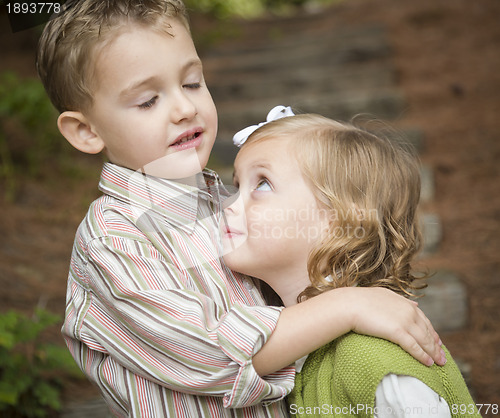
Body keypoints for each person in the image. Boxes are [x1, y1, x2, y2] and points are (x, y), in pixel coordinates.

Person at [36, 1, 445, 416]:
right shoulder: (114, 240)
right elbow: (202, 352)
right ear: (86, 131)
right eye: (147, 101)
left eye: (192, 83)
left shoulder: (225, 201)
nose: (184, 108)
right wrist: (348, 306)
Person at [222, 107, 480, 417]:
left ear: (339, 220)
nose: (229, 204)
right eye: (237, 186)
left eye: (262, 184)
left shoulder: (372, 360)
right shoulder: (296, 345)